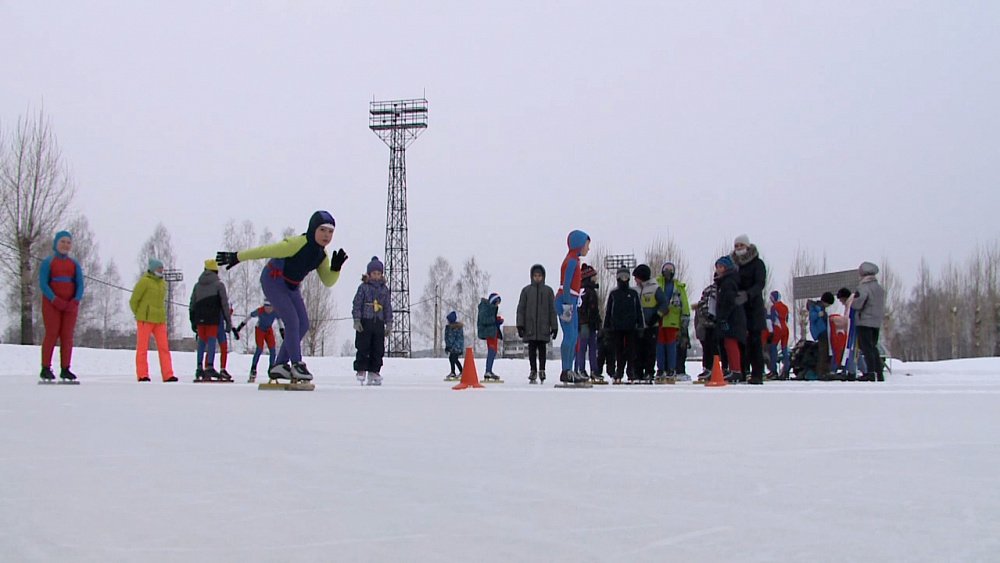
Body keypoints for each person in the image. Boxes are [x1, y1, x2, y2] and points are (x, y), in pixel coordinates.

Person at [216, 210, 348, 381]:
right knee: (292, 321)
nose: (326, 235)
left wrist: (335, 269)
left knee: (303, 324)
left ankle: (279, 365)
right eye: (322, 230)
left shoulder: (321, 256)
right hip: (273, 280)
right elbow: (266, 250)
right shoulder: (297, 243)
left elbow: (328, 281)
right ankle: (296, 364)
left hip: (291, 287)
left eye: (330, 232)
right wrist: (237, 256)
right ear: (313, 229)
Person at [38, 230, 84, 382]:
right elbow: (43, 284)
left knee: (67, 336)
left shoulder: (74, 264)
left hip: (70, 305)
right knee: (52, 333)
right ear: (56, 243)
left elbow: (80, 284)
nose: (65, 245)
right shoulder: (48, 262)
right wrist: (54, 299)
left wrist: (75, 300)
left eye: (68, 242)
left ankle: (65, 368)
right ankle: (45, 367)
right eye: (62, 242)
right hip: (52, 304)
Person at [129, 258, 177, 382]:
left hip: (159, 319)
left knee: (164, 348)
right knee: (142, 348)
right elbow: (134, 300)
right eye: (159, 268)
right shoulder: (144, 281)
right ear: (152, 269)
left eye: (162, 268)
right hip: (145, 319)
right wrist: (139, 314)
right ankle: (142, 374)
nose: (161, 270)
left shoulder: (163, 283)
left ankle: (168, 374)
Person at [556, 230, 591, 385]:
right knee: (569, 336)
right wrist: (567, 305)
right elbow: (566, 284)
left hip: (571, 300)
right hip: (566, 300)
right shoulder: (571, 261)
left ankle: (570, 369)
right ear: (579, 244)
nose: (588, 249)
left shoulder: (574, 260)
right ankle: (566, 370)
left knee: (574, 337)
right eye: (586, 245)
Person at [731, 234, 767, 384]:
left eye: (741, 245)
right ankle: (742, 371)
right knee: (741, 341)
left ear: (748, 246)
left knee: (755, 340)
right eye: (737, 246)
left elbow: (760, 283)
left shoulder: (757, 263)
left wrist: (748, 294)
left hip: (754, 307)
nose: (739, 249)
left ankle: (757, 373)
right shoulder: (734, 266)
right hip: (739, 308)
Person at [190, 259, 233, 381]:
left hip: (200, 319)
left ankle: (199, 367)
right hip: (213, 319)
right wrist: (228, 322)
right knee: (212, 341)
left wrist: (193, 320)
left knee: (202, 342)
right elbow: (224, 304)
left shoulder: (197, 285)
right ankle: (209, 367)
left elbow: (192, 303)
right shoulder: (219, 285)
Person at [353, 256, 392, 386]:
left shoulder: (384, 290)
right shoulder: (363, 288)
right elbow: (357, 304)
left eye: (379, 274)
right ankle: (361, 369)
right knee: (363, 346)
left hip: (378, 322)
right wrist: (357, 320)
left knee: (378, 348)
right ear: (369, 274)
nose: (376, 276)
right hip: (366, 321)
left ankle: (374, 371)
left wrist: (389, 323)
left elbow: (387, 307)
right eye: (374, 273)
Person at [515, 264, 558, 384]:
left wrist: (554, 326)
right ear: (532, 276)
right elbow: (521, 309)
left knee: (542, 349)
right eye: (535, 276)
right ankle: (533, 370)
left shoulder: (548, 291)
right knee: (532, 349)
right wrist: (520, 325)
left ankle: (542, 370)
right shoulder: (526, 291)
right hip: (531, 327)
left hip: (543, 327)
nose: (537, 278)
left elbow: (552, 310)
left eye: (539, 276)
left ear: (543, 276)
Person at [603, 266, 643, 384]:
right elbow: (608, 311)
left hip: (631, 327)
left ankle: (631, 371)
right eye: (621, 276)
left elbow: (639, 310)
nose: (623, 279)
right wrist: (606, 327)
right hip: (617, 327)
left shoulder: (633, 293)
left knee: (631, 351)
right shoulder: (614, 294)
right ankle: (619, 371)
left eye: (626, 276)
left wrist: (640, 325)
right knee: (619, 351)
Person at [655, 261, 690, 382]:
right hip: (659, 319)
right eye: (666, 269)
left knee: (671, 345)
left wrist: (685, 316)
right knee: (659, 345)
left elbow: (684, 302)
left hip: (673, 320)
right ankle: (660, 368)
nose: (668, 271)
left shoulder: (678, 286)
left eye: (670, 269)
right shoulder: (657, 283)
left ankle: (671, 368)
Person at [715, 256, 747, 382]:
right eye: (717, 267)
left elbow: (729, 302)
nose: (718, 270)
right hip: (732, 317)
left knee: (731, 344)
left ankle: (736, 370)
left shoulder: (728, 282)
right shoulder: (726, 282)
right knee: (729, 344)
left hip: (732, 318)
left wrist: (723, 318)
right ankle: (735, 370)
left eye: (721, 267)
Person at [853, 262, 886, 382]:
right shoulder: (879, 288)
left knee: (866, 348)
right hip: (876, 322)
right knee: (873, 347)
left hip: (864, 321)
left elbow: (858, 304)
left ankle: (870, 373)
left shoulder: (863, 288)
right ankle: (879, 373)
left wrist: (852, 301)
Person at [234, 300, 282, 383]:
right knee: (259, 349)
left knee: (272, 349)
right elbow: (249, 316)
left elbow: (279, 321)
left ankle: (271, 368)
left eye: (270, 307)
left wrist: (282, 330)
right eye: (266, 307)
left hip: (268, 330)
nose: (268, 310)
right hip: (259, 329)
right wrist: (240, 327)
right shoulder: (260, 311)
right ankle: (253, 368)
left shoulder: (275, 311)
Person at [633, 263, 666, 382]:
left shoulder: (655, 288)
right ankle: (637, 373)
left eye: (636, 277)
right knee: (638, 350)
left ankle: (649, 372)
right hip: (638, 326)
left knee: (650, 350)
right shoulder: (635, 290)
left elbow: (664, 304)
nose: (634, 280)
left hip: (652, 325)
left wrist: (657, 316)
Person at [575, 264, 603, 383]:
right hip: (586, 324)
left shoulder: (586, 290)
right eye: (594, 276)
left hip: (588, 324)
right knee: (584, 347)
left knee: (591, 347)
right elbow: (588, 309)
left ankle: (592, 369)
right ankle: (582, 369)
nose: (596, 278)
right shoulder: (587, 291)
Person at [693, 282, 719, 382]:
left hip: (715, 323)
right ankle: (708, 368)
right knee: (709, 347)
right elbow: (703, 304)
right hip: (708, 324)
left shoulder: (726, 288)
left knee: (714, 348)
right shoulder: (710, 290)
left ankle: (716, 368)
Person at [808, 292, 836, 379]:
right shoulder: (817, 307)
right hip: (821, 331)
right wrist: (819, 315)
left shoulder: (819, 307)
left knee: (825, 352)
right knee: (823, 352)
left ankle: (824, 371)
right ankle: (821, 372)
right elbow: (812, 317)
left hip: (822, 331)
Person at [477, 293, 503, 381]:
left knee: (493, 351)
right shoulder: (486, 308)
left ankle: (489, 371)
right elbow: (484, 319)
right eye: (497, 302)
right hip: (490, 333)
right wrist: (495, 320)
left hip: (493, 332)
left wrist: (497, 320)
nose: (497, 305)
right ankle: (488, 371)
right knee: (492, 351)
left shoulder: (489, 308)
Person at [767, 291, 790, 378]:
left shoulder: (774, 307)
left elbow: (772, 319)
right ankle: (786, 370)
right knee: (785, 349)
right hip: (785, 328)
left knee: (773, 348)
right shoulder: (785, 307)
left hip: (778, 329)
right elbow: (786, 319)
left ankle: (773, 370)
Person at [444, 311, 464, 380]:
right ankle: (453, 372)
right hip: (454, 346)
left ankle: (462, 371)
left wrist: (448, 346)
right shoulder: (451, 328)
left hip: (456, 347)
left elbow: (451, 338)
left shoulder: (453, 328)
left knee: (454, 359)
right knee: (451, 358)